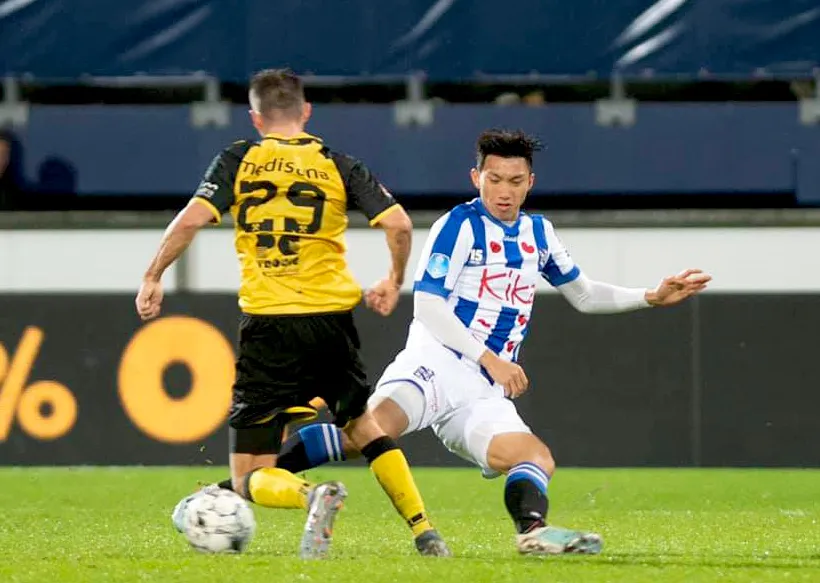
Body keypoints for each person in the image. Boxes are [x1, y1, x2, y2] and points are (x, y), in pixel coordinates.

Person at [231, 129, 711, 556]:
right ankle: (236, 487)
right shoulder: (459, 225)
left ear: (530, 183)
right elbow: (428, 305)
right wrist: (490, 358)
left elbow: (584, 295)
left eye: (515, 181)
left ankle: (533, 533)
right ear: (476, 177)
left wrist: (650, 296)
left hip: (482, 393)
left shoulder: (539, 233)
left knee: (535, 457)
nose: (504, 191)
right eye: (494, 179)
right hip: (435, 364)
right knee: (367, 435)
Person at [137, 68, 450, 559]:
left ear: (255, 117)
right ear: (306, 112)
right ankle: (424, 530)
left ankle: (311, 496)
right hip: (332, 320)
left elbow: (191, 219)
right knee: (364, 428)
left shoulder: (239, 159)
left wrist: (154, 275)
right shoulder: (337, 163)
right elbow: (400, 225)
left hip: (269, 324)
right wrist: (393, 280)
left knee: (249, 475)